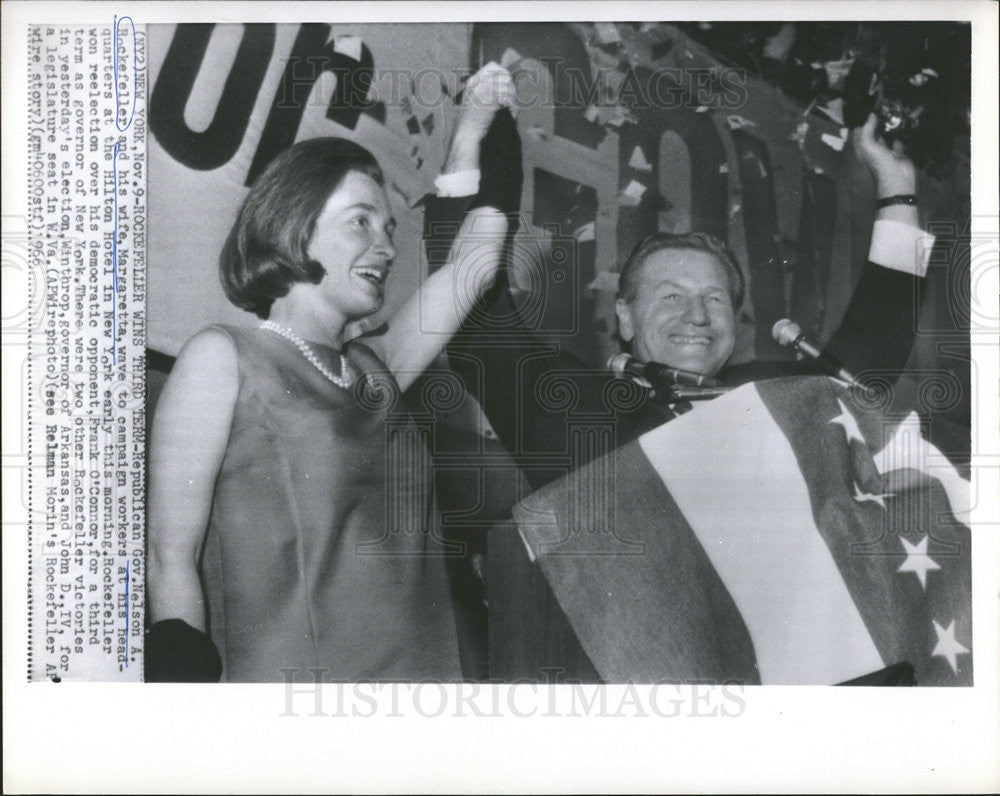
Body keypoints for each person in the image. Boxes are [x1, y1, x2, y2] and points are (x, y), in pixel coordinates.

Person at [426, 70, 936, 492]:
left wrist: (897, 185)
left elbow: (866, 364)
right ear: (624, 315)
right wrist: (478, 141)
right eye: (671, 296)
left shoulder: (768, 398)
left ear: (736, 324)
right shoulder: (571, 403)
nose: (697, 316)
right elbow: (476, 323)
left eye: (715, 299)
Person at [146, 136, 507, 682]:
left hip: (421, 703)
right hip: (292, 714)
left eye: (389, 229)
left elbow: (474, 266)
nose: (386, 248)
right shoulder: (223, 357)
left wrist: (476, 130)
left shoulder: (376, 369)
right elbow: (168, 557)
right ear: (296, 224)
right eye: (360, 222)